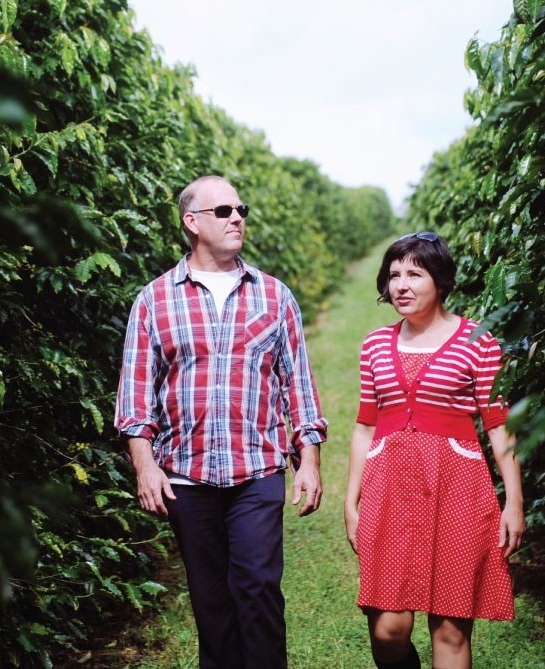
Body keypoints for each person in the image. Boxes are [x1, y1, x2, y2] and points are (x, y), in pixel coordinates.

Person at [114, 175, 327, 669]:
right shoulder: (154, 300)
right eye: (224, 210)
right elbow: (136, 394)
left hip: (256, 469)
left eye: (241, 210)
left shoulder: (274, 297)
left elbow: (299, 385)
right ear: (192, 222)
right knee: (210, 602)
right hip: (186, 476)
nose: (237, 218)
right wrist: (145, 467)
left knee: (257, 590)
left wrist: (309, 460)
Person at [344, 232, 526, 669]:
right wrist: (351, 500)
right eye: (393, 276)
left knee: (449, 629)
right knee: (388, 628)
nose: (400, 285)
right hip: (388, 490)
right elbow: (365, 425)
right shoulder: (375, 345)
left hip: (457, 491)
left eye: (414, 274)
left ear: (440, 281)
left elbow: (499, 428)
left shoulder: (478, 341)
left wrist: (514, 502)